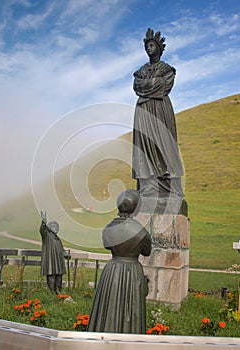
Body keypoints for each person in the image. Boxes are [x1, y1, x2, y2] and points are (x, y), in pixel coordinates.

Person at [87, 189, 152, 334]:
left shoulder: (108, 228)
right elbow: (147, 252)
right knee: (132, 307)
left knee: (108, 305)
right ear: (135, 208)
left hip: (113, 270)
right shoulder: (141, 232)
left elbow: (106, 244)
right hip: (133, 270)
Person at [132, 28, 184, 199]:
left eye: (152, 45)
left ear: (159, 49)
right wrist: (153, 84)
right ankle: (148, 187)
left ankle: (168, 186)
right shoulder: (141, 70)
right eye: (147, 46)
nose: (149, 48)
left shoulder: (167, 69)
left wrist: (148, 87)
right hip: (143, 111)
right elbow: (137, 87)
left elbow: (164, 86)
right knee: (145, 145)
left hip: (160, 110)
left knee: (164, 144)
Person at [39, 211, 66, 294]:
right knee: (52, 276)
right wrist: (43, 222)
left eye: (56, 226)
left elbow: (61, 249)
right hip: (51, 260)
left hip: (58, 261)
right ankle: (52, 293)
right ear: (50, 227)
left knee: (59, 276)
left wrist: (65, 254)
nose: (56, 228)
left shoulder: (57, 239)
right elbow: (42, 230)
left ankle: (59, 291)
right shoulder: (47, 235)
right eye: (53, 226)